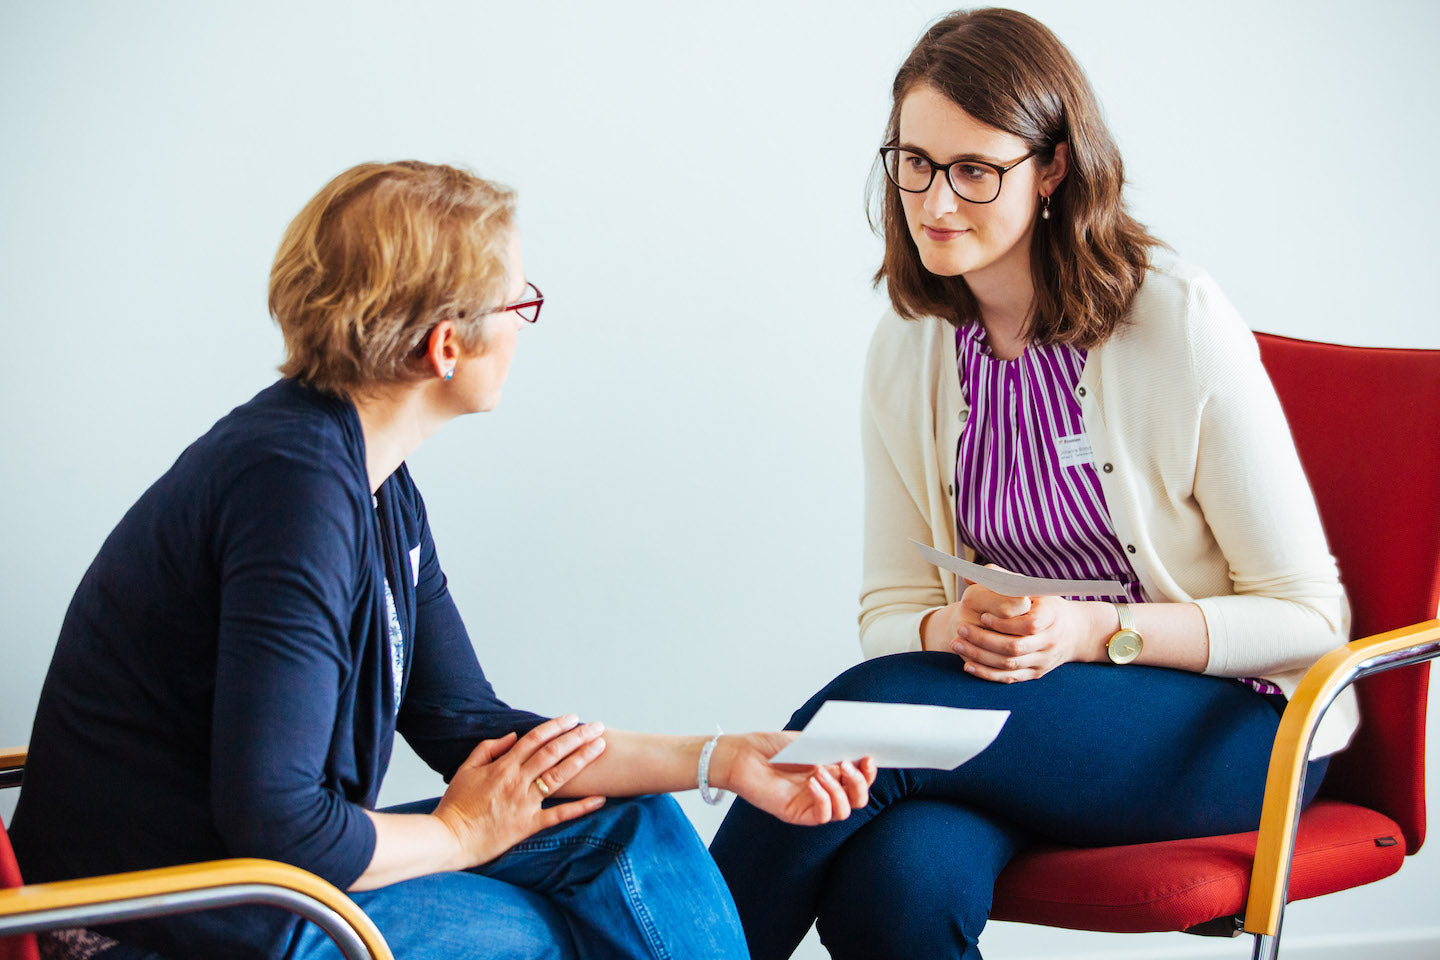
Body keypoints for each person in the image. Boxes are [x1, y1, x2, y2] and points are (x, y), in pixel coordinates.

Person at [9, 160, 876, 960]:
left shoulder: (373, 481)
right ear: (445, 345)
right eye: (517, 303)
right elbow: (277, 827)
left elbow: (468, 723)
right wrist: (463, 836)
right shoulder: (293, 490)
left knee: (631, 826)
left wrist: (721, 756)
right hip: (156, 919)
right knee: (555, 933)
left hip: (254, 889)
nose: (524, 325)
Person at [708, 9, 1356, 959]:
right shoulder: (910, 351)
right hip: (1025, 728)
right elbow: (890, 609)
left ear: (1053, 169)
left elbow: (1310, 620)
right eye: (914, 162)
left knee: (870, 720)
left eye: (976, 170)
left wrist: (1095, 630)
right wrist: (948, 627)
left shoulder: (1174, 321)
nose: (934, 200)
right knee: (895, 887)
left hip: (1238, 733)